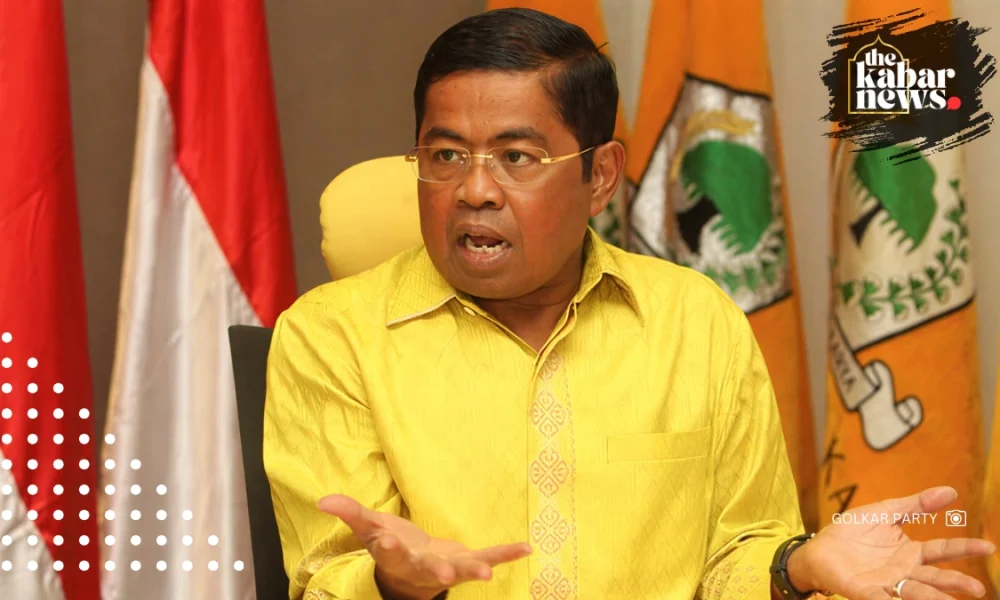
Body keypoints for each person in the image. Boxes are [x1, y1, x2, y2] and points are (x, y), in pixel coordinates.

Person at [262, 8, 994, 600]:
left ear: (602, 176)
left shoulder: (694, 322)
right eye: (445, 155)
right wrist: (394, 583)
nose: (474, 190)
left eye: (516, 158)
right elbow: (324, 579)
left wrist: (793, 567)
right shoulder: (331, 337)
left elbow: (736, 557)